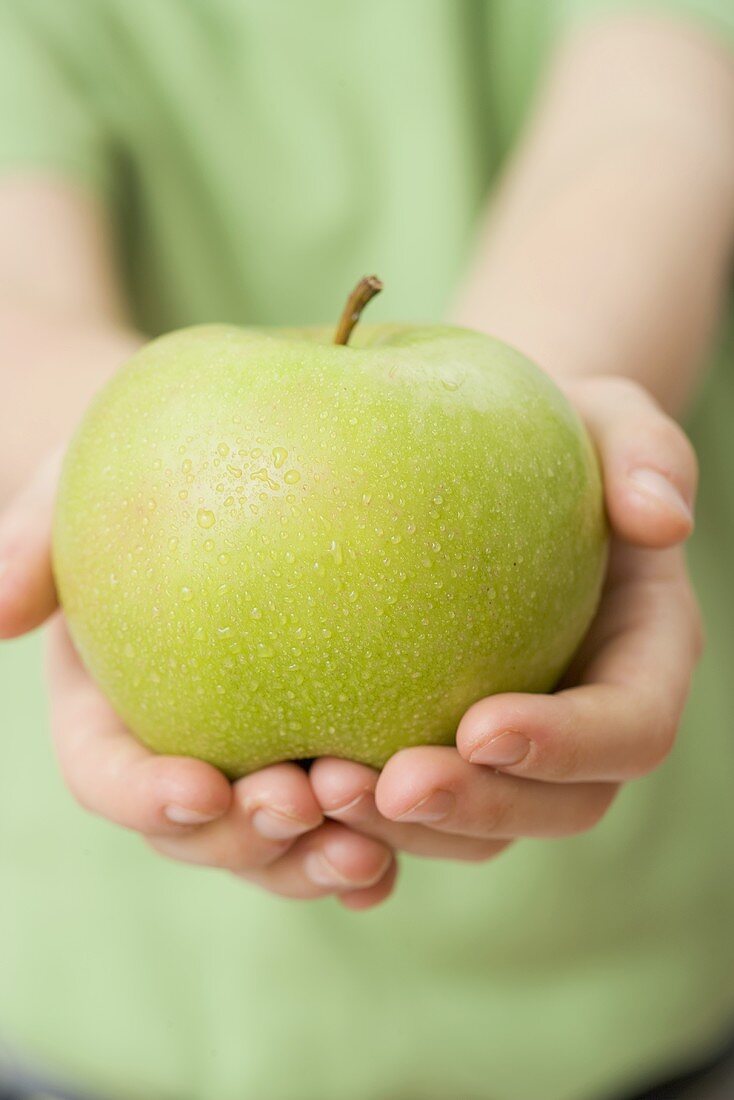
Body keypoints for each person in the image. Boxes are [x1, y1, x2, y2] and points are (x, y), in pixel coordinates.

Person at [0, 2, 732, 1098]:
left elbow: (647, 125)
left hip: (599, 967)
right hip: (118, 974)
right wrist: (112, 471)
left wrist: (551, 422)